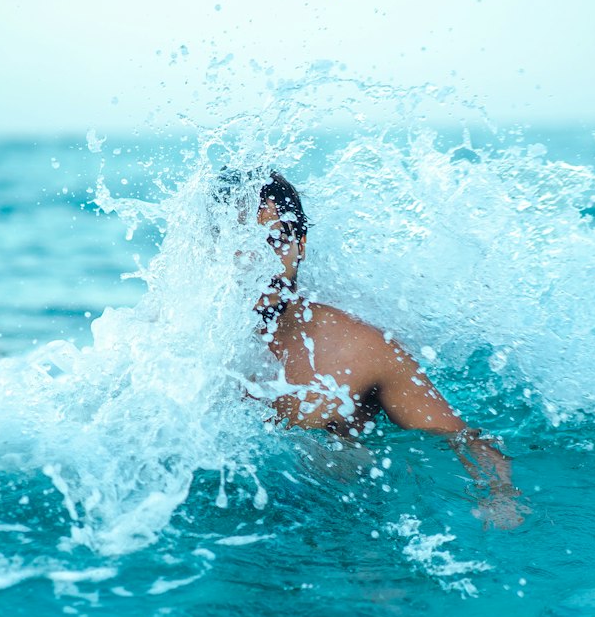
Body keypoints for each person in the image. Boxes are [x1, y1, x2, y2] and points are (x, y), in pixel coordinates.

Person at [222, 168, 522, 527]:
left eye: (274, 240)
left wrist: (500, 497)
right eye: (239, 243)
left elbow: (464, 439)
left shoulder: (360, 351)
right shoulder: (174, 349)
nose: (257, 259)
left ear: (300, 245)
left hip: (346, 516)